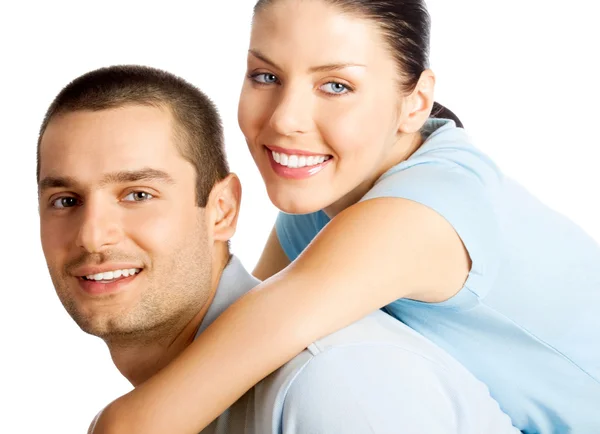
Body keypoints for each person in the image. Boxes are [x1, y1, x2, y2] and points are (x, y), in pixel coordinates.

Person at [85, 0, 600, 433]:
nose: (285, 119)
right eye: (265, 76)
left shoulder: (417, 216)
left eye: (335, 86)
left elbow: (147, 419)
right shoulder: (329, 203)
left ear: (415, 102)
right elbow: (245, 368)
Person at [37, 65, 517, 434]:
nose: (92, 236)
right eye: (65, 200)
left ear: (221, 210)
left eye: (138, 195)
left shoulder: (329, 380)